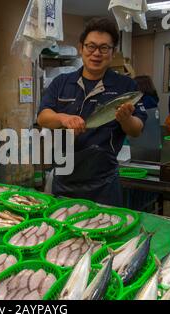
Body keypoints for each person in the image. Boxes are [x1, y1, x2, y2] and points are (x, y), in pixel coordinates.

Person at [37, 18, 147, 207]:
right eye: (91, 46)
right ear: (81, 48)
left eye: (104, 48)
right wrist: (63, 118)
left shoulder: (126, 86)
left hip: (104, 185)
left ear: (112, 53)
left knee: (107, 233)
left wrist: (125, 119)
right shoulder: (61, 82)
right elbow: (43, 118)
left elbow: (137, 129)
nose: (96, 53)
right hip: (64, 179)